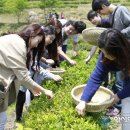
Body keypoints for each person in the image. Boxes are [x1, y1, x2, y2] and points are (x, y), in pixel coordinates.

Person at [0, 24, 55, 129]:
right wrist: (45, 91)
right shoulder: (19, 45)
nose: (35, 46)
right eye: (38, 42)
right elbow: (23, 76)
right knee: (1, 121)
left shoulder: (14, 38)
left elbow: (20, 73)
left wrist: (31, 87)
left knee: (2, 119)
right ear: (32, 35)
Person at [76, 28, 130, 130]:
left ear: (118, 51)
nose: (104, 55)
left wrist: (119, 95)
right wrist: (84, 100)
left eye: (106, 53)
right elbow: (97, 77)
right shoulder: (105, 55)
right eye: (102, 52)